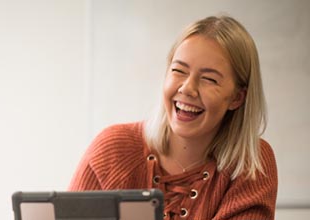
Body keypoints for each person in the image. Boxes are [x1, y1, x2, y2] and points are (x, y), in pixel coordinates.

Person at [68, 15, 277, 219]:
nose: (188, 89)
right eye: (178, 70)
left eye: (209, 79)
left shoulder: (251, 163)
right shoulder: (112, 149)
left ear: (237, 98)